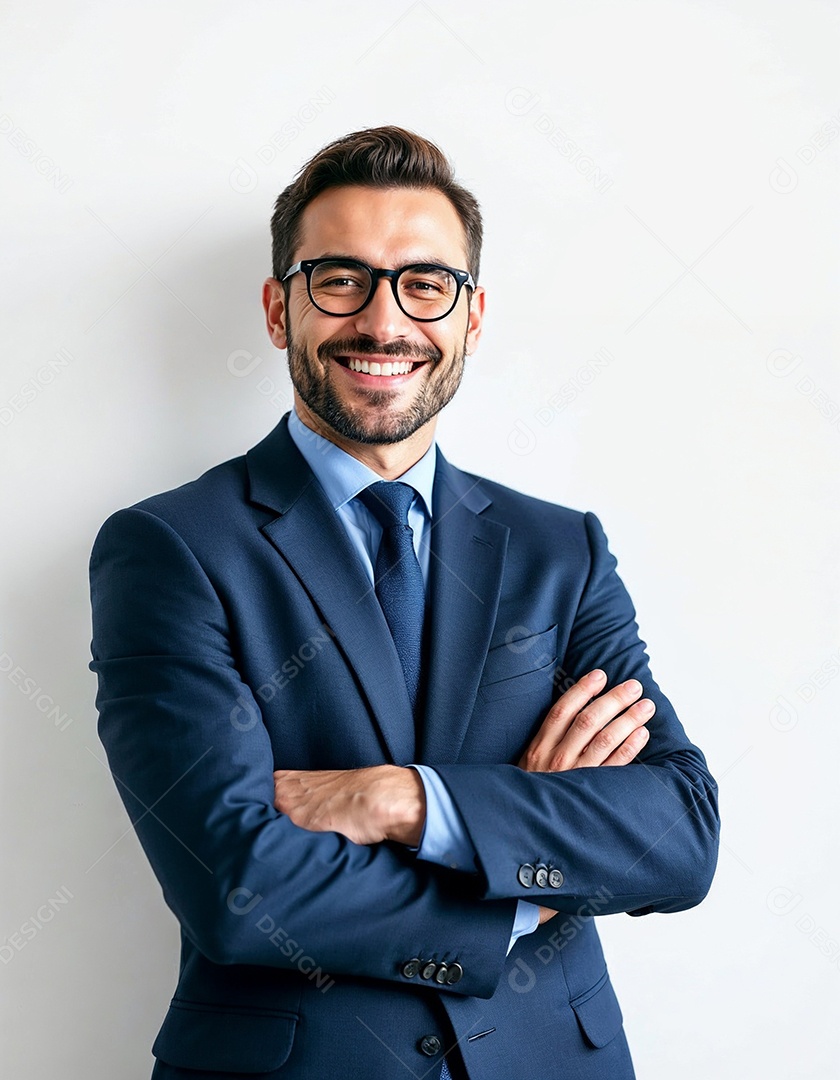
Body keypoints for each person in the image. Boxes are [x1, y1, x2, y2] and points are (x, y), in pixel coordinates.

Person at [89, 126, 720, 1080]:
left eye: (424, 284)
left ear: (470, 316)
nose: (384, 322)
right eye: (340, 279)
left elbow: (677, 833)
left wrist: (403, 799)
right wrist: (525, 886)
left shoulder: (560, 548)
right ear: (277, 309)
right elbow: (235, 884)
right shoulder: (170, 548)